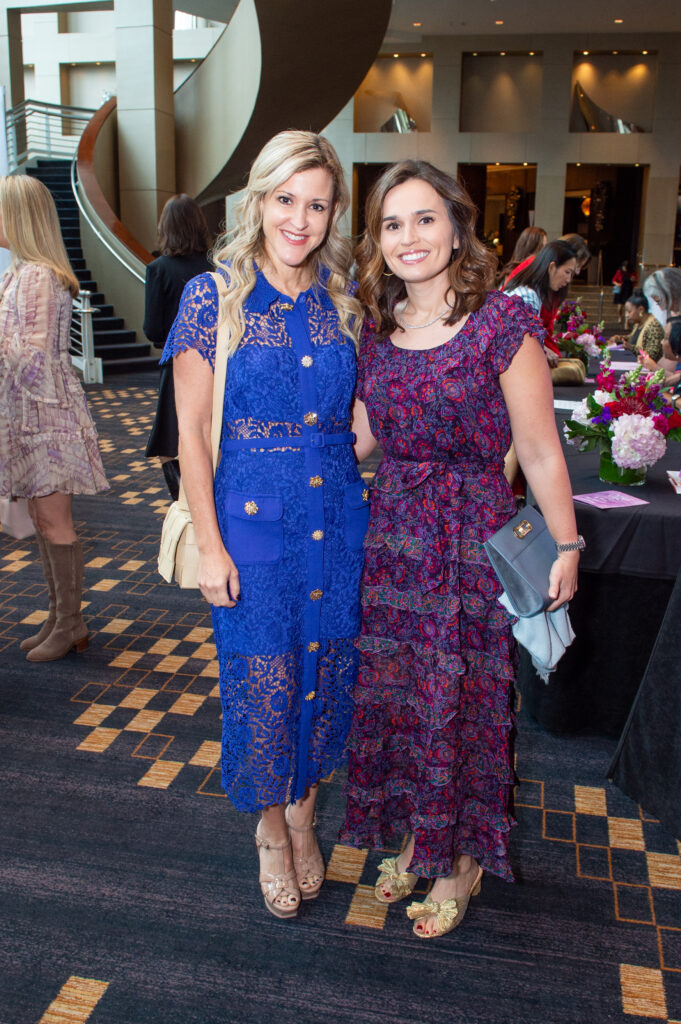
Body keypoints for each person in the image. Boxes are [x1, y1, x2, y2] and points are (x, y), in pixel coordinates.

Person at [340, 160, 580, 940]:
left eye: (424, 219)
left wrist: (566, 545)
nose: (409, 238)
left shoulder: (501, 325)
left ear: (456, 226)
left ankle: (458, 860)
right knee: (401, 696)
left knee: (461, 702)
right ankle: (419, 831)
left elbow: (540, 452)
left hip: (470, 539)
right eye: (391, 224)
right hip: (392, 542)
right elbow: (359, 441)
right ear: (377, 240)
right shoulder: (377, 327)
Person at [161, 131, 364, 920]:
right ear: (257, 200)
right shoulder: (213, 297)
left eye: (316, 204)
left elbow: (356, 425)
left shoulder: (343, 301)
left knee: (325, 679)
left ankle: (308, 817)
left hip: (337, 521)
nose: (299, 218)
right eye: (285, 199)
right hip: (249, 524)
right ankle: (272, 833)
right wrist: (209, 545)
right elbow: (189, 434)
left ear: (333, 212)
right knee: (265, 685)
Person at [0, 175, 109, 661]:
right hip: (30, 415)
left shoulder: (38, 276)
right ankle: (58, 617)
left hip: (46, 418)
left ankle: (71, 622)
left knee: (54, 521)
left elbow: (35, 362)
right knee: (44, 521)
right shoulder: (20, 273)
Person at [144, 194, 212, 500]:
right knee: (211, 440)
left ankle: (188, 508)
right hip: (218, 367)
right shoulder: (217, 266)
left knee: (176, 444)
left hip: (178, 371)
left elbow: (154, 329)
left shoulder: (159, 269)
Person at [503, 239, 579, 366]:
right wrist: (542, 350)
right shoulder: (527, 296)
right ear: (552, 267)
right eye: (567, 272)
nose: (568, 280)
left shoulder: (532, 293)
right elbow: (522, 343)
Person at [609, 289, 663, 362]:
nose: (626, 315)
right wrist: (619, 338)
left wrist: (631, 348)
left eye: (629, 311)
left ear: (641, 310)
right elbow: (633, 338)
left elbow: (651, 355)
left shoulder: (654, 327)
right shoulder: (639, 323)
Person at [612, 260, 637, 325]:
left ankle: (626, 323)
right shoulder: (619, 272)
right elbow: (614, 280)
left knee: (627, 307)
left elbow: (636, 281)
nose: (624, 268)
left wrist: (633, 281)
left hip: (628, 290)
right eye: (624, 266)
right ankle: (620, 316)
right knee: (620, 307)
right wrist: (618, 284)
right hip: (621, 290)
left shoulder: (632, 272)